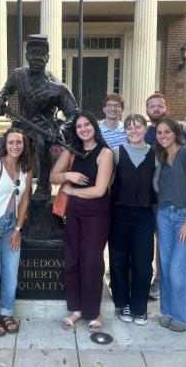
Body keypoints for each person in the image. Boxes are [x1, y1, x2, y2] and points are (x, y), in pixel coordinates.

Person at [0, 34, 79, 204]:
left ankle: (43, 186)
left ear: (48, 57)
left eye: (41, 54)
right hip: (21, 125)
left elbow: (74, 112)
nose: (37, 58)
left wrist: (60, 130)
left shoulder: (58, 87)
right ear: (27, 56)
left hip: (44, 129)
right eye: (32, 53)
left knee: (42, 146)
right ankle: (12, 182)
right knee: (10, 148)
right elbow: (6, 91)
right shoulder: (18, 75)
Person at [50, 111, 113, 333]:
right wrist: (69, 177)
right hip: (74, 214)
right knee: (73, 259)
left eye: (87, 124)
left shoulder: (105, 153)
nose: (83, 129)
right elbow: (53, 176)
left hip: (96, 214)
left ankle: (93, 312)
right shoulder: (71, 151)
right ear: (75, 130)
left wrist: (72, 190)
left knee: (92, 262)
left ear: (94, 126)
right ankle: (76, 309)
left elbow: (99, 190)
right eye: (79, 126)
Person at [0, 128, 33, 337]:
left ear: (24, 145)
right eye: (11, 142)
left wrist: (18, 228)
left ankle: (7, 312)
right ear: (5, 144)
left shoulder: (26, 169)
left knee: (11, 273)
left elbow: (25, 199)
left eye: (19, 142)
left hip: (12, 225)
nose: (15, 146)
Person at [155, 117, 186, 332]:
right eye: (159, 133)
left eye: (167, 131)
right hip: (165, 215)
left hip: (185, 216)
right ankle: (168, 311)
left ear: (176, 132)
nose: (163, 136)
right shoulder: (163, 157)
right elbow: (160, 187)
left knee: (180, 269)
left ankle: (185, 317)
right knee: (165, 268)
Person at [109, 114, 157, 326]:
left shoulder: (156, 155)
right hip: (119, 213)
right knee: (119, 261)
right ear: (124, 131)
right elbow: (108, 184)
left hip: (144, 215)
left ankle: (140, 307)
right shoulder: (116, 153)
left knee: (143, 262)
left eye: (138, 127)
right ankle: (123, 303)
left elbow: (158, 185)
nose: (134, 131)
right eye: (129, 127)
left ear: (145, 129)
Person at [144, 93, 186, 300]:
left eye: (159, 105)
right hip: (151, 197)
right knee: (158, 239)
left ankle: (164, 279)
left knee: (174, 243)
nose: (156, 109)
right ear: (147, 110)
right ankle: (157, 277)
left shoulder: (182, 132)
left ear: (167, 108)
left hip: (176, 198)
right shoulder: (145, 133)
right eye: (152, 106)